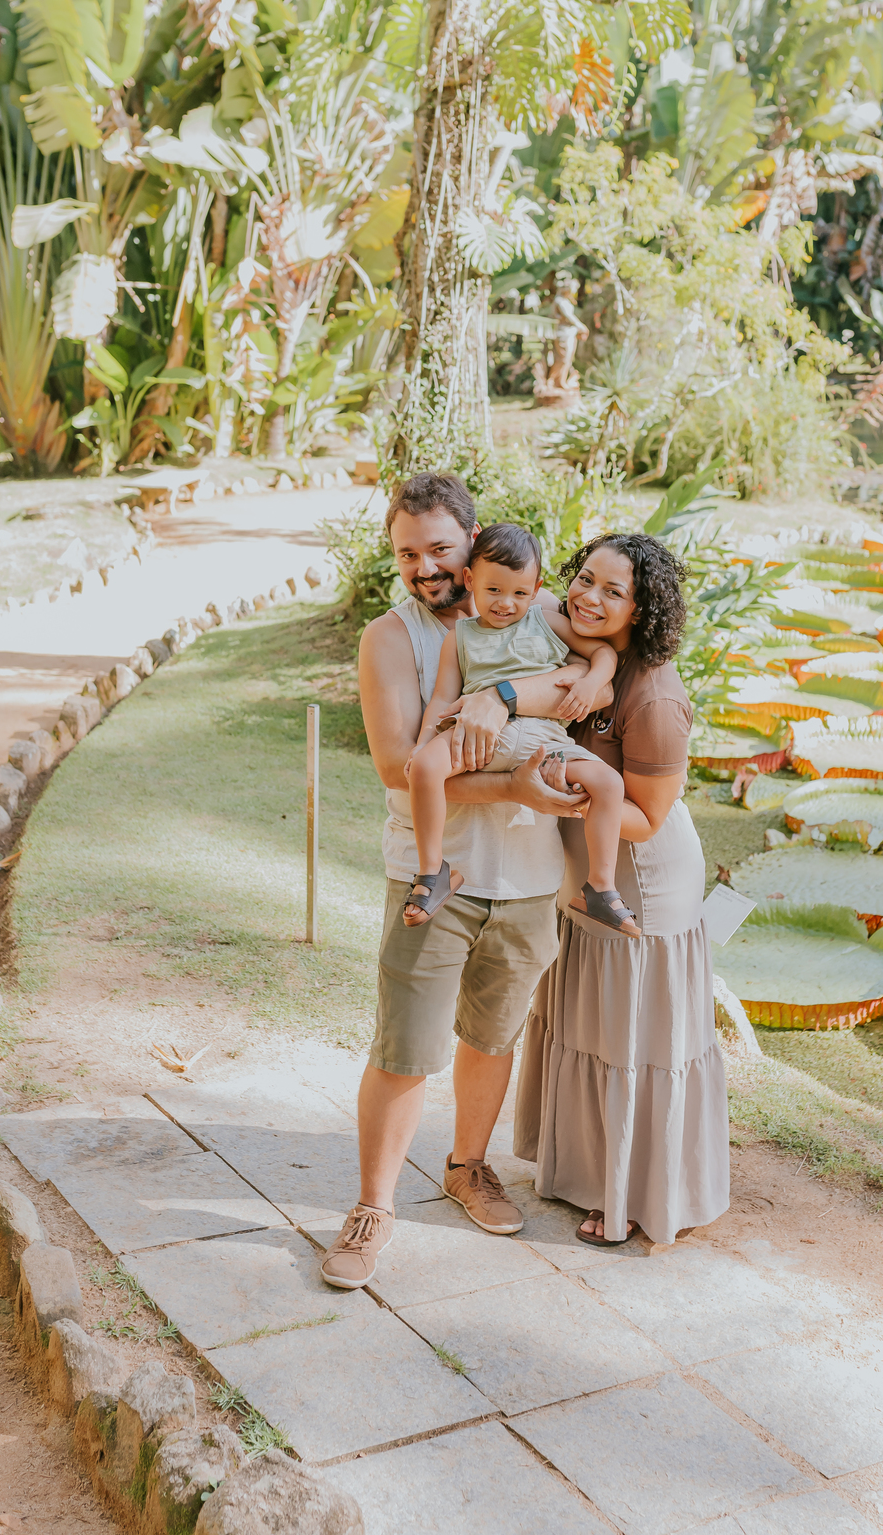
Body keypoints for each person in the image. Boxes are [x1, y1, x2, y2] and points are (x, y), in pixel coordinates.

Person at [320, 473, 601, 1291]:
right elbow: (392, 765)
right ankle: (374, 1207)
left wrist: (508, 696)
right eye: (407, 553)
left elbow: (598, 677)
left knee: (493, 1036)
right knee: (406, 1047)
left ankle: (468, 1165)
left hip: (528, 877)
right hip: (432, 874)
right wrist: (513, 784)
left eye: (439, 548)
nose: (423, 567)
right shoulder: (391, 638)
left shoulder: (535, 614)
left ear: (474, 544)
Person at [510, 532, 730, 1248]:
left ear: (644, 609)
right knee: (590, 1032)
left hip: (642, 885)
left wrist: (560, 789)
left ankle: (633, 1197)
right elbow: (533, 594)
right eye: (586, 578)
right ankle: (586, 1170)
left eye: (613, 591)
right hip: (591, 884)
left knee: (631, 1043)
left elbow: (646, 817)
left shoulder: (657, 696)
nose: (588, 597)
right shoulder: (593, 647)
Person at [403, 521, 639, 937]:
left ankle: (600, 887)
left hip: (545, 740)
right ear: (471, 580)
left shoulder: (546, 621)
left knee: (608, 784)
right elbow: (442, 697)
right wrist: (424, 742)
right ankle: (433, 872)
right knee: (423, 769)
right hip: (480, 738)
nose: (505, 603)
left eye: (518, 592)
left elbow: (603, 653)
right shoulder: (459, 636)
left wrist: (588, 681)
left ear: (536, 588)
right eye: (493, 590)